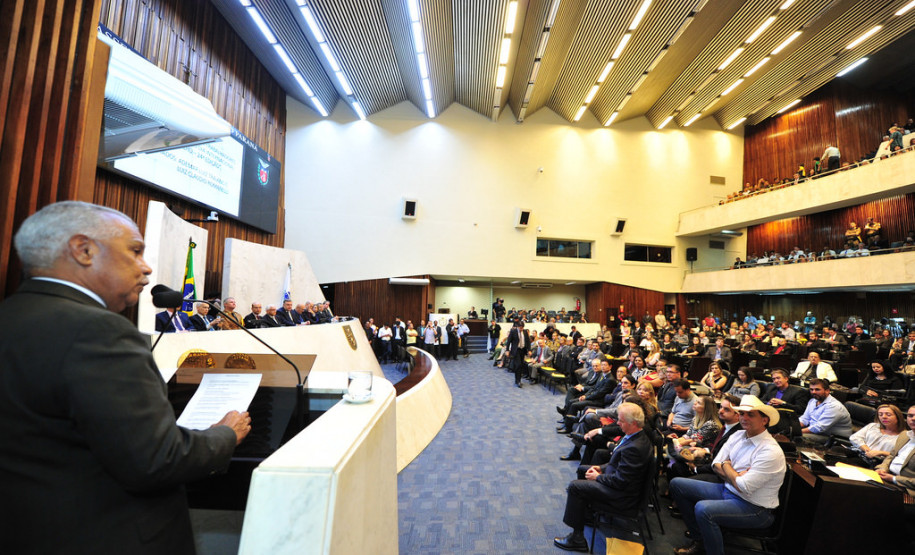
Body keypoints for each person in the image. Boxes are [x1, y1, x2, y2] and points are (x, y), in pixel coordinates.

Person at [0, 201, 251, 553]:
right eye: (135, 251)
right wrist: (225, 434)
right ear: (83, 250)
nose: (146, 269)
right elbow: (157, 459)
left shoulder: (11, 316)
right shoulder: (98, 331)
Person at [671, 395, 786, 555]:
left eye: (750, 414)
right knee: (677, 484)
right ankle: (701, 539)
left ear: (764, 420)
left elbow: (743, 486)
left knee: (703, 509)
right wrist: (734, 473)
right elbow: (715, 464)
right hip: (729, 490)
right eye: (742, 413)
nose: (744, 417)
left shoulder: (770, 451)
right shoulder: (738, 435)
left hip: (755, 508)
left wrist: (726, 465)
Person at [553, 403, 652, 552]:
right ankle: (586, 514)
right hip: (620, 484)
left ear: (633, 423)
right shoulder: (636, 436)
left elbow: (621, 482)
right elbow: (617, 463)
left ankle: (577, 539)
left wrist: (598, 477)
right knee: (583, 469)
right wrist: (601, 468)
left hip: (622, 496)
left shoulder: (635, 448)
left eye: (621, 421)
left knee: (575, 487)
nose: (617, 423)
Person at [876, 405, 915, 549]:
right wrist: (882, 468)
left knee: (879, 506)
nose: (913, 419)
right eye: (910, 416)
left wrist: (893, 479)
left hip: (906, 489)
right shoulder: (905, 435)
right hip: (888, 479)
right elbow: (891, 456)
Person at [799, 379, 853, 443]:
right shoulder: (813, 401)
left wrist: (797, 431)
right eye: (811, 389)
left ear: (827, 391)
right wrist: (792, 427)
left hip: (835, 439)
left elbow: (819, 428)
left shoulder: (834, 406)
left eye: (817, 389)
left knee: (797, 437)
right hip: (818, 433)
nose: (813, 392)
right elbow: (805, 419)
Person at [506, 319, 527, 388]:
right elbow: (508, 341)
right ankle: (518, 381)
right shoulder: (513, 331)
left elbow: (528, 341)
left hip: (523, 350)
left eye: (522, 327)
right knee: (518, 365)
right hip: (516, 350)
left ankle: (518, 380)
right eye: (520, 327)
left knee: (521, 365)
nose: (521, 329)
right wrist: (507, 350)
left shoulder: (525, 332)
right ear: (517, 326)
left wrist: (529, 350)